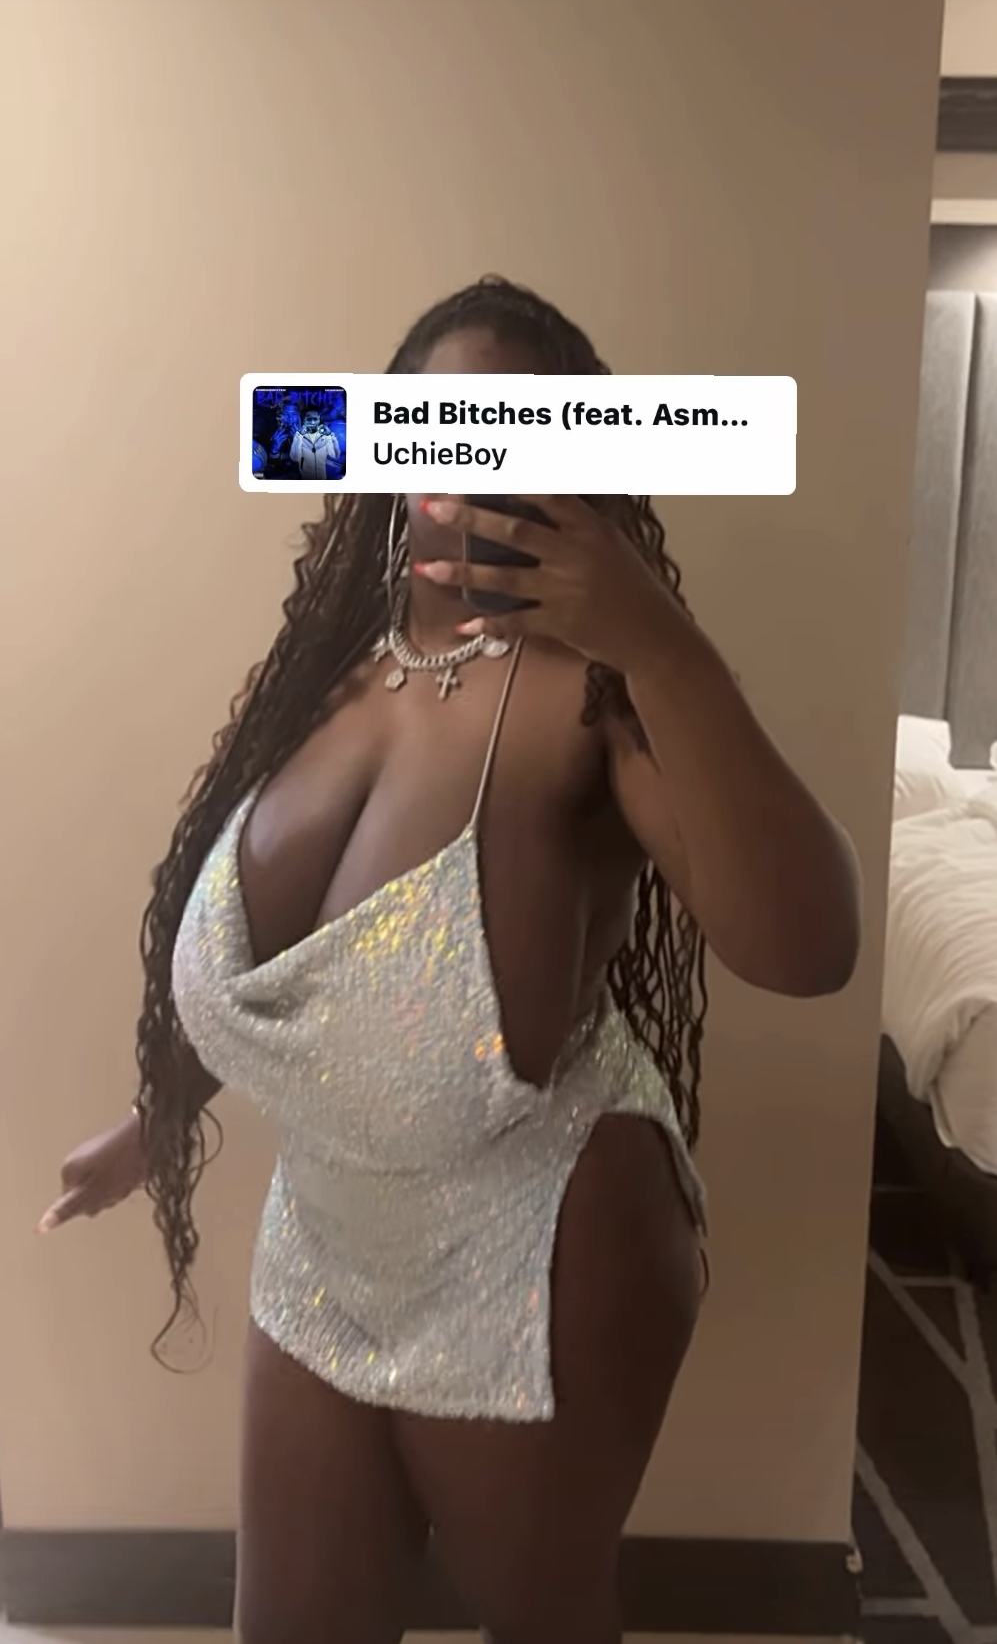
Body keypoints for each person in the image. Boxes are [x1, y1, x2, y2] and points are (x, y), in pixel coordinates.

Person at [40, 275, 861, 1644]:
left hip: (535, 1231)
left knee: (541, 1621)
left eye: (511, 435)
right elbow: (308, 983)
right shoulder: (326, 679)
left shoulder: (594, 698)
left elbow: (809, 943)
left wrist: (656, 639)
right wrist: (158, 1115)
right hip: (325, 1232)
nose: (464, 470)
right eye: (431, 426)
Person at [290, 407, 341, 480]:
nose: (312, 422)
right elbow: (295, 458)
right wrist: (299, 436)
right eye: (309, 419)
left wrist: (330, 435)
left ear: (319, 419)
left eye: (315, 419)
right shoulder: (299, 437)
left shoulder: (324, 436)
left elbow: (335, 455)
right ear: (304, 420)